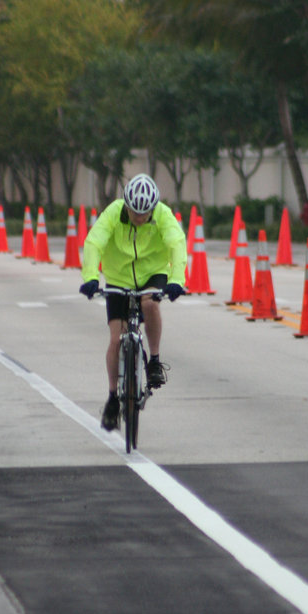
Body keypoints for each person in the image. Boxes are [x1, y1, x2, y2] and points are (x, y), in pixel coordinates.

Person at [79, 173, 187, 431]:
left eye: (145, 213)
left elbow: (177, 244)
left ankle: (154, 361)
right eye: (135, 212)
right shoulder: (114, 213)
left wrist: (176, 279)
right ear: (126, 205)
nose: (140, 218)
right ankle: (113, 397)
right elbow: (94, 242)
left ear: (153, 208)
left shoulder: (162, 214)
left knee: (150, 304)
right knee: (116, 340)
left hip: (153, 272)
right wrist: (91, 276)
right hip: (119, 278)